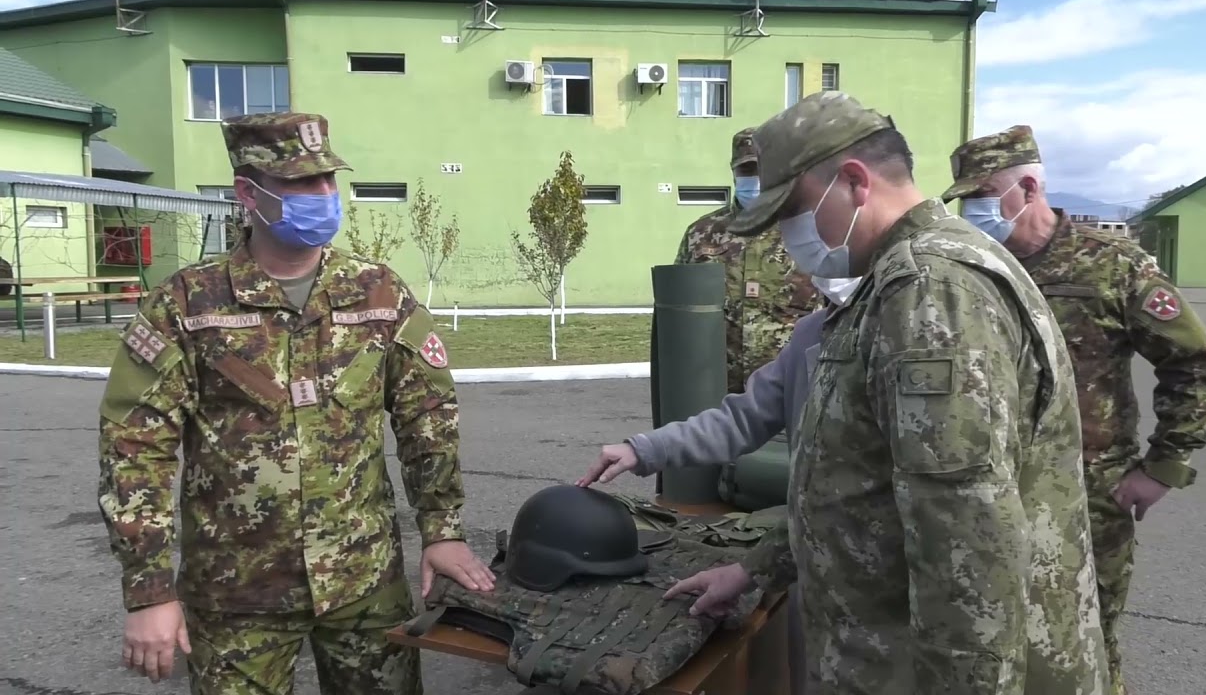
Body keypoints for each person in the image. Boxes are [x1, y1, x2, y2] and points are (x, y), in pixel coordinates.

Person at [665, 91, 1110, 695]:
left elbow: (968, 539)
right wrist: (755, 568)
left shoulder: (931, 292)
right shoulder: (892, 283)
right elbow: (852, 485)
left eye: (791, 211)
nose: (786, 237)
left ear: (853, 182)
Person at [95, 111, 495, 693]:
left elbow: (427, 416)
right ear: (247, 194)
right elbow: (135, 446)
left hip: (364, 582)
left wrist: (443, 529)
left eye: (328, 180)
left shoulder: (378, 292)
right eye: (301, 184)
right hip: (235, 590)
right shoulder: (187, 302)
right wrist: (149, 590)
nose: (322, 195)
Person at [941, 125, 1206, 695]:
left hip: (1088, 493)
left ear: (1027, 187)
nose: (973, 210)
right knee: (989, 639)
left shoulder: (1111, 265)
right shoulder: (969, 267)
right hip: (987, 490)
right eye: (966, 198)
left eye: (982, 194)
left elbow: (1194, 365)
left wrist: (1163, 467)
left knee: (1088, 639)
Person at [578, 274, 859, 695]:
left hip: (890, 593)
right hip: (815, 572)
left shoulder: (917, 334)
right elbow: (741, 418)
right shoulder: (813, 334)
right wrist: (644, 449)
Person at [674, 127, 823, 395]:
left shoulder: (812, 233)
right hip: (715, 391)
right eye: (747, 170)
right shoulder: (701, 233)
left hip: (790, 391)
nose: (755, 178)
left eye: (763, 170)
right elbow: (678, 312)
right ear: (733, 172)